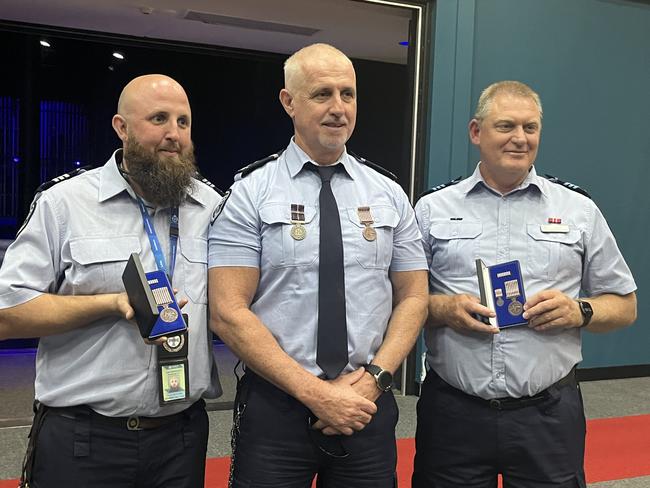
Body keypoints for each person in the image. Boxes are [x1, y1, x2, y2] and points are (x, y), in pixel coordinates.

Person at [208, 43, 429, 488]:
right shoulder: (250, 194)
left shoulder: (388, 194)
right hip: (277, 408)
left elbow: (414, 297)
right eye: (322, 94)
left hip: (366, 400)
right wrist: (316, 393)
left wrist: (375, 380)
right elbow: (228, 311)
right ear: (289, 102)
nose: (338, 108)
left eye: (347, 94)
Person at [0, 74, 222, 488]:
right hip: (83, 440)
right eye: (159, 119)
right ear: (121, 127)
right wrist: (111, 303)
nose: (174, 134)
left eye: (183, 122)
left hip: (182, 437)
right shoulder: (64, 203)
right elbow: (7, 312)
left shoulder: (212, 207)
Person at [413, 80, 637, 488]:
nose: (520, 138)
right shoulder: (431, 209)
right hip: (454, 414)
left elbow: (624, 305)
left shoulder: (578, 210)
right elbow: (398, 301)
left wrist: (580, 310)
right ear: (476, 132)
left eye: (530, 128)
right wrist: (443, 308)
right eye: (506, 126)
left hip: (548, 415)